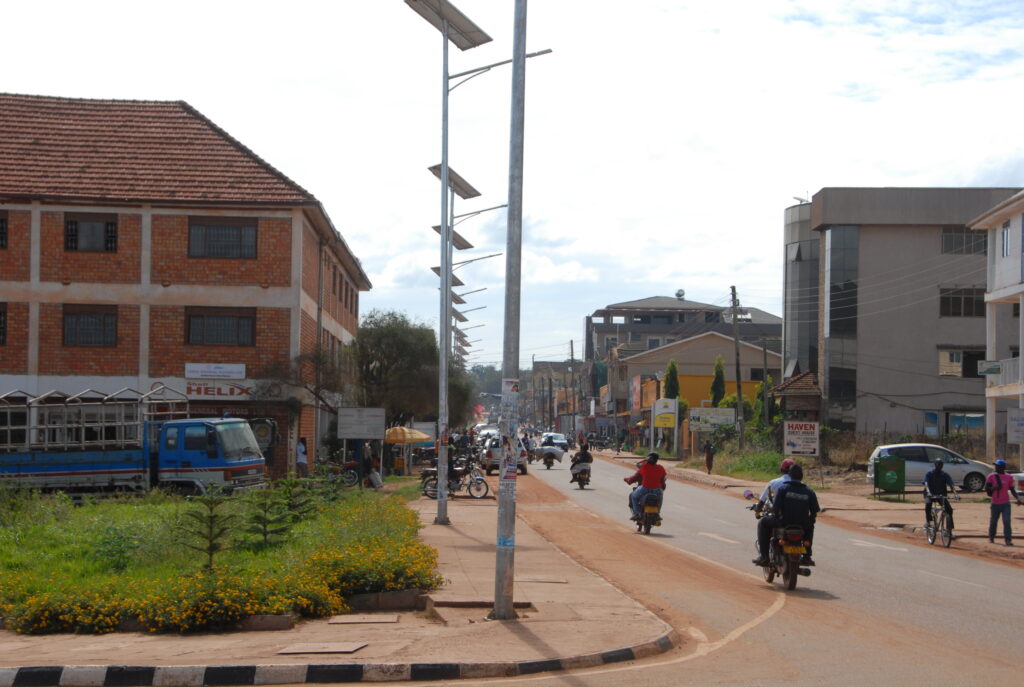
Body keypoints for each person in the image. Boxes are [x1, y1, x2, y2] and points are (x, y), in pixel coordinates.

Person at [754, 463, 819, 567]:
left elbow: (776, 508)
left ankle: (764, 556)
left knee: (762, 523)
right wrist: (810, 520)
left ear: (790, 475)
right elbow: (815, 511)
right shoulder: (809, 491)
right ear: (801, 476)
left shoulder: (783, 489)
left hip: (783, 522)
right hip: (802, 524)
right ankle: (807, 557)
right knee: (810, 528)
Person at [985, 459, 1022, 545]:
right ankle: (991, 537)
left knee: (1006, 521)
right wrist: (994, 488)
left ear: (1004, 467)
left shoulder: (1009, 477)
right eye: (997, 466)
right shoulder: (991, 476)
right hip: (995, 502)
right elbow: (987, 489)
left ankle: (1008, 539)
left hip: (1005, 502)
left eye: (999, 466)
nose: (997, 468)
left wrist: (1017, 498)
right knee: (993, 521)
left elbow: (1012, 489)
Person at [625, 452, 668, 521]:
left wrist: (644, 460)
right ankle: (657, 513)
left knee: (633, 496)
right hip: (657, 490)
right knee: (660, 499)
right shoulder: (661, 468)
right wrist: (662, 487)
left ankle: (637, 513)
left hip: (644, 489)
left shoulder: (644, 467)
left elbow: (637, 465)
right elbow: (663, 480)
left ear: (648, 459)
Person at [923, 459, 958, 532]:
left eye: (941, 465)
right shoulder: (929, 474)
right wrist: (928, 492)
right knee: (928, 505)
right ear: (935, 465)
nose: (940, 466)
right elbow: (926, 483)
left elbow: (951, 484)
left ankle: (949, 529)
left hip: (941, 495)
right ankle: (928, 522)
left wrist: (955, 494)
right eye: (938, 464)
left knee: (949, 509)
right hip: (929, 494)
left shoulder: (944, 475)